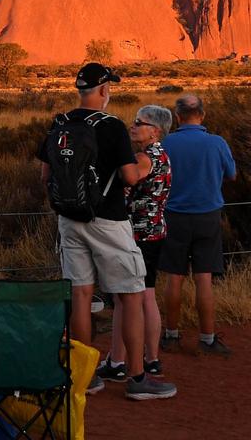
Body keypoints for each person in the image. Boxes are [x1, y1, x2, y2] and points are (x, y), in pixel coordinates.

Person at [37, 64, 176, 401]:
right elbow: (129, 177)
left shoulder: (61, 124)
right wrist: (144, 167)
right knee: (130, 295)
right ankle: (137, 377)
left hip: (69, 219)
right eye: (108, 88)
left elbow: (45, 176)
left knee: (81, 296)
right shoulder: (112, 126)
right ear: (102, 90)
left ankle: (84, 377)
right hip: (109, 221)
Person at [97, 105, 173, 383]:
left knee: (124, 299)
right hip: (155, 232)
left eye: (139, 123)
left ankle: (118, 361)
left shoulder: (144, 157)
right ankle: (151, 359)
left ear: (154, 131)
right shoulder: (162, 155)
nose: (132, 126)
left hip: (137, 235)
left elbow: (128, 177)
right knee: (146, 297)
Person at [158, 94, 237, 356]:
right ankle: (207, 339)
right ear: (201, 115)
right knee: (204, 278)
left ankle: (170, 336)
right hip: (208, 217)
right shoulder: (217, 143)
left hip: (175, 216)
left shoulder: (167, 142)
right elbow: (232, 174)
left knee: (174, 277)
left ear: (178, 117)